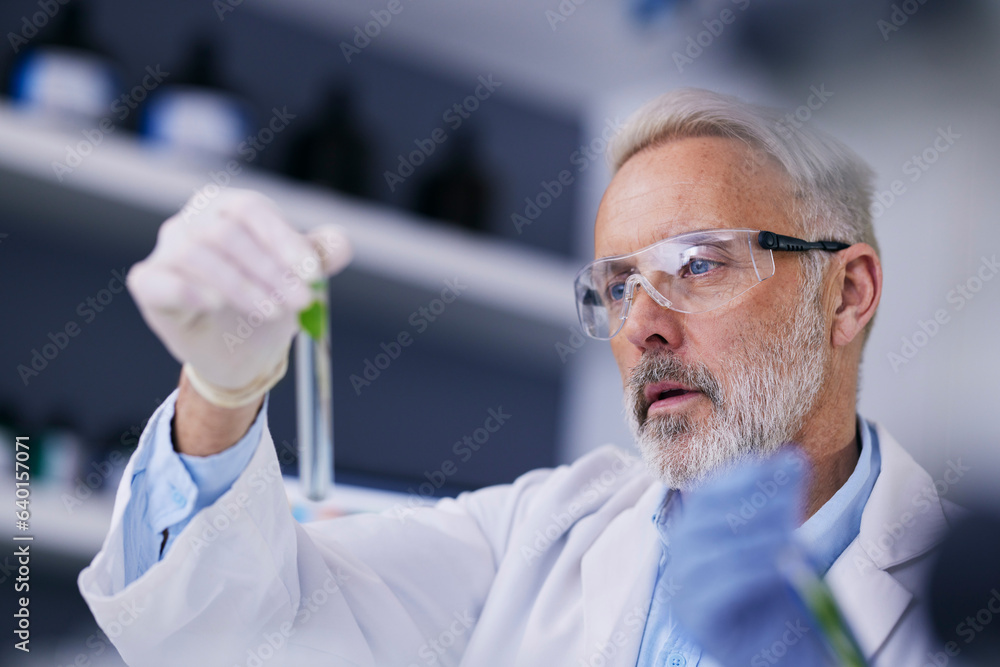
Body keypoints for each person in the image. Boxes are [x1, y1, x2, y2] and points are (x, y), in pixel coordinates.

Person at [79, 88, 960, 666]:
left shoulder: (966, 589)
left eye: (696, 264)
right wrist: (222, 392)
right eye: (617, 286)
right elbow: (236, 633)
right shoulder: (537, 536)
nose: (643, 323)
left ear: (846, 294)